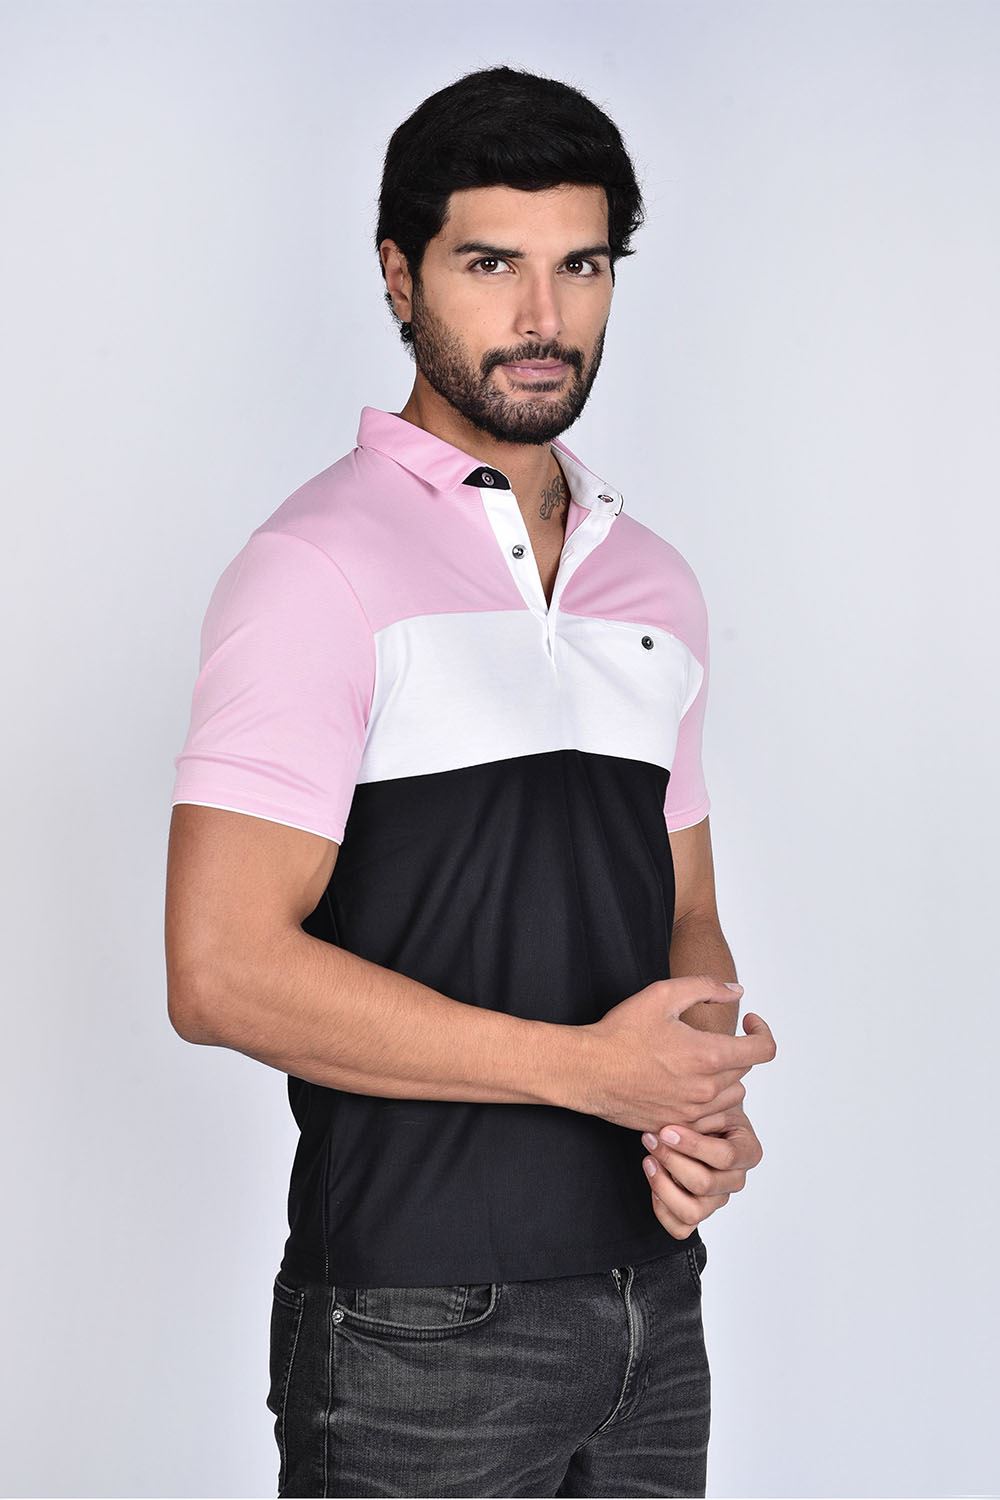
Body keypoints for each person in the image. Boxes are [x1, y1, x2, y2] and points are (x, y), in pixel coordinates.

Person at [165, 63, 775, 1500]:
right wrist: (585, 1072)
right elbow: (218, 971)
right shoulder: (313, 570)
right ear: (400, 275)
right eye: (492, 264)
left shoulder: (655, 584)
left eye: (583, 265)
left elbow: (685, 911)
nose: (544, 317)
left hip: (653, 1308)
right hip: (416, 1324)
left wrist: (697, 1101)